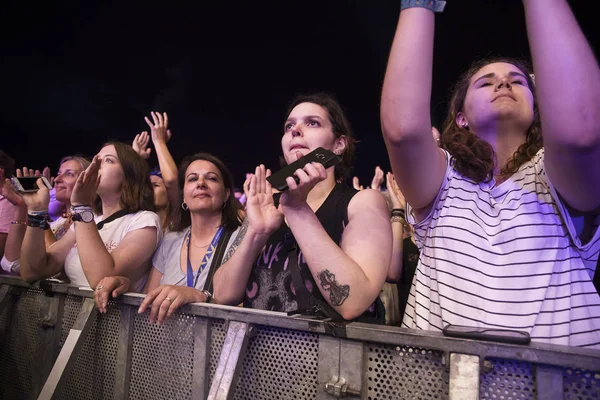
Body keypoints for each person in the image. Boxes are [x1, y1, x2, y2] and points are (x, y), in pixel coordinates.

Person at [381, 0, 600, 347]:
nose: (503, 84)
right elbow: (403, 131)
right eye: (486, 83)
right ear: (462, 118)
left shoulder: (553, 173)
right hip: (433, 385)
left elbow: (581, 130)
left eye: (518, 81)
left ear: (539, 108)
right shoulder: (445, 178)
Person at [212, 93, 392, 322]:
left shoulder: (362, 202)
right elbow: (222, 294)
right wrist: (257, 232)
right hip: (258, 355)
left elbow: (352, 302)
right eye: (289, 126)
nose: (295, 130)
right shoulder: (268, 208)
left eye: (312, 123)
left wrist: (297, 209)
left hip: (329, 356)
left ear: (339, 144)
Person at [93, 153, 243, 325]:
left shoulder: (242, 239)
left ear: (226, 194)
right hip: (164, 346)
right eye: (192, 179)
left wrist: (198, 296)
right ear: (183, 195)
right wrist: (125, 285)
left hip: (217, 348)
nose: (201, 184)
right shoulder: (170, 240)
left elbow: (247, 308)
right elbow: (148, 297)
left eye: (212, 178)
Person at [19, 142, 162, 291]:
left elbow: (100, 280)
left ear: (129, 177)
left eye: (108, 160)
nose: (96, 164)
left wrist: (81, 206)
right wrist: (36, 212)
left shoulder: (144, 220)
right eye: (97, 159)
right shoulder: (87, 220)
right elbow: (33, 272)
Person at [0, 156, 90, 275]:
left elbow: (52, 267)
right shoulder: (57, 223)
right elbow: (12, 264)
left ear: (89, 182)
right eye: (59, 173)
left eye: (69, 174)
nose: (57, 179)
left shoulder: (89, 221)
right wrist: (20, 207)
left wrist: (39, 211)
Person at [132, 111, 179, 231]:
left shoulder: (178, 220)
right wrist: (136, 159)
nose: (148, 189)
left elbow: (171, 179)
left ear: (169, 193)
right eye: (147, 185)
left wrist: (159, 142)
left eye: (155, 185)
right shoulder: (135, 222)